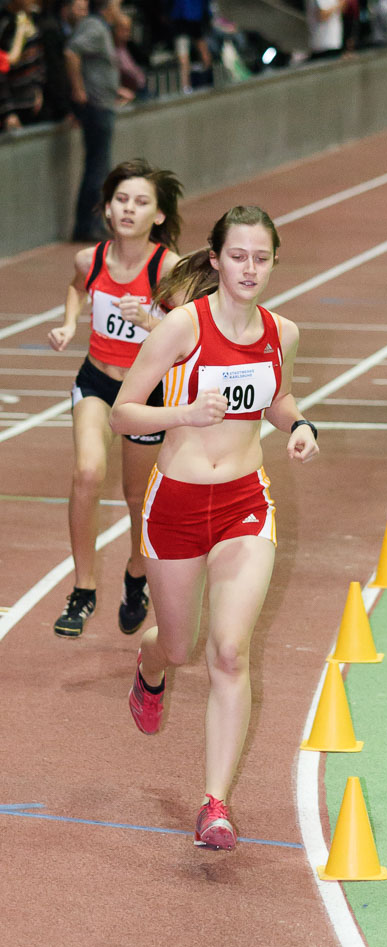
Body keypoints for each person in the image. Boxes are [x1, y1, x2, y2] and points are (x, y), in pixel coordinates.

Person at [110, 205, 319, 849]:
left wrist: (300, 425)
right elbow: (122, 412)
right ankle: (149, 669)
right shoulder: (182, 327)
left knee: (229, 651)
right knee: (179, 647)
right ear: (216, 259)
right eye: (238, 256)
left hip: (243, 507)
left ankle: (215, 804)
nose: (249, 269)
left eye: (261, 258)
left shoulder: (282, 332)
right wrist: (183, 415)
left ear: (273, 263)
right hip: (174, 504)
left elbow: (276, 397)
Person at [48, 158, 183, 635]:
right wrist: (69, 323)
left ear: (159, 215)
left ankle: (135, 575)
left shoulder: (167, 267)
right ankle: (83, 591)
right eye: (121, 199)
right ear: (108, 208)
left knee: (135, 497)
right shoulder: (91, 260)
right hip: (97, 381)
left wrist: (152, 322)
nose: (129, 208)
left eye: (141, 201)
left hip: (144, 393)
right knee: (87, 471)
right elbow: (75, 288)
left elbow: (192, 330)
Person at [65, 0, 132, 243]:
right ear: (106, 7)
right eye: (116, 5)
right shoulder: (95, 27)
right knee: (97, 167)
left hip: (102, 103)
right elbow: (71, 52)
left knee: (99, 166)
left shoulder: (97, 27)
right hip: (96, 107)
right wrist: (79, 89)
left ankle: (91, 223)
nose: (119, 11)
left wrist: (114, 88)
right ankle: (87, 224)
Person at [38, 0, 88, 124]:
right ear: (65, 9)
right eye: (80, 9)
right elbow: (55, 72)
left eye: (86, 10)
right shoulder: (52, 30)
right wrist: (64, 109)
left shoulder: (71, 32)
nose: (84, 14)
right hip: (52, 106)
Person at [0, 0, 45, 132]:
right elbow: (6, 64)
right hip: (11, 108)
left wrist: (38, 88)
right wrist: (7, 111)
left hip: (32, 103)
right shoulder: (5, 25)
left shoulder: (30, 20)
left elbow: (37, 58)